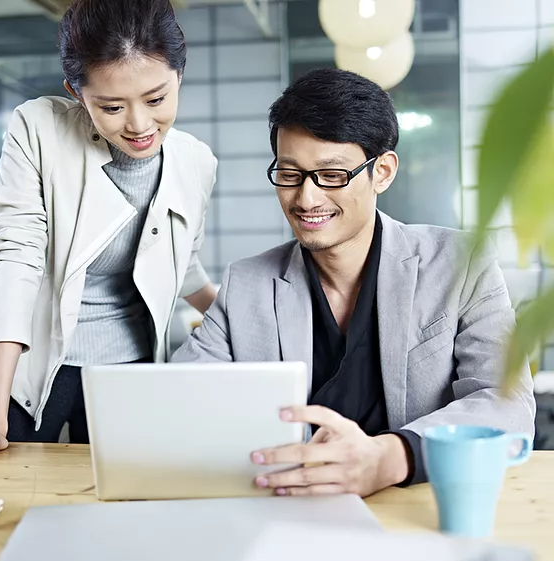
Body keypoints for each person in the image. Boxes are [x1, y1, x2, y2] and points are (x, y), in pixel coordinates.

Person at [173, 68, 536, 497]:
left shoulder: (461, 264)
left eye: (331, 176)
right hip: (287, 507)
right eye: (290, 174)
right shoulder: (247, 283)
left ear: (382, 171)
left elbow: (505, 402)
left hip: (419, 507)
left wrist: (392, 456)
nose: (306, 199)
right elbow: (184, 398)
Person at [0, 0, 217, 458]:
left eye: (157, 99)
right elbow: (16, 259)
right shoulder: (38, 129)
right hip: (32, 364)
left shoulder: (196, 162)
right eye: (111, 106)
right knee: (15, 499)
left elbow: (182, 267)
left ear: (179, 75)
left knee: (123, 505)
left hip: (128, 372)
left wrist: (243, 317)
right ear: (76, 93)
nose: (140, 124)